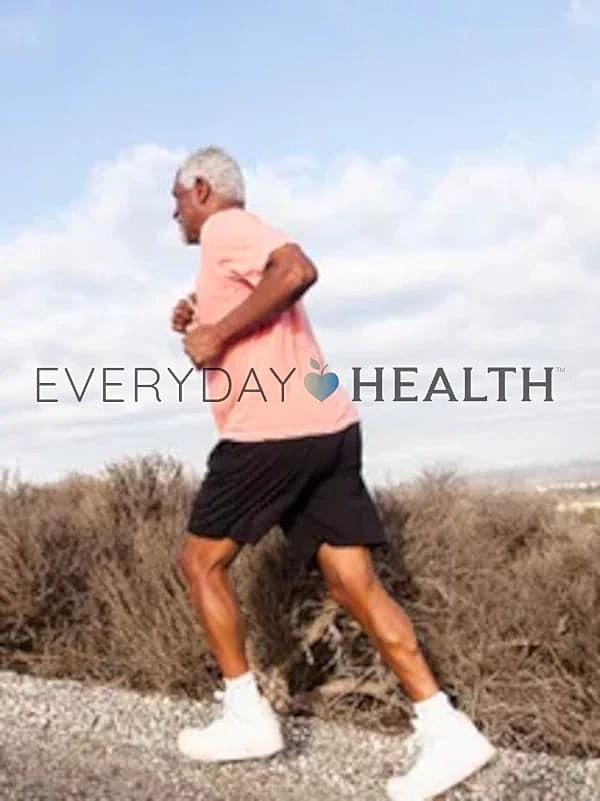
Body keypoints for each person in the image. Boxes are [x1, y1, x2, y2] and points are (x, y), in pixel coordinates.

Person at [170, 146, 496, 800]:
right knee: (353, 581)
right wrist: (202, 320)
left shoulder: (226, 226)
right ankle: (445, 725)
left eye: (176, 198)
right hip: (327, 421)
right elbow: (265, 310)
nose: (173, 212)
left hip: (273, 426)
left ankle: (246, 714)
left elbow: (298, 268)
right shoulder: (230, 254)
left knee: (200, 562)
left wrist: (215, 332)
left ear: (202, 188)